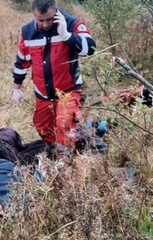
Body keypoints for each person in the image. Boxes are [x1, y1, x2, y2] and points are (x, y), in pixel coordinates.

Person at [11, 0, 96, 152]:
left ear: (56, 10)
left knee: (64, 125)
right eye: (40, 20)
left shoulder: (72, 24)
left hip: (68, 90)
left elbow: (90, 48)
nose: (44, 24)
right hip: (42, 92)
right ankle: (60, 148)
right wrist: (16, 88)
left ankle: (66, 161)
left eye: (49, 19)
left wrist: (66, 35)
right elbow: (22, 61)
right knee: (42, 127)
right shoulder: (28, 31)